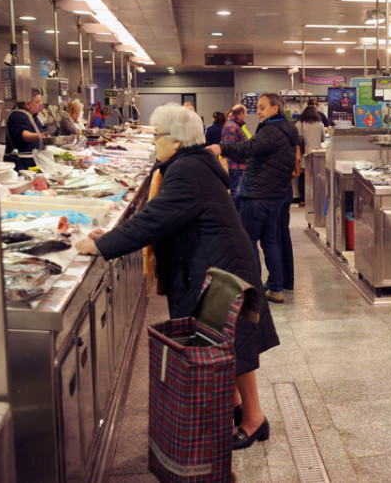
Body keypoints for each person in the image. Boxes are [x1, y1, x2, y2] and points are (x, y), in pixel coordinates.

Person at [75, 103, 279, 451]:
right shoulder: (192, 163)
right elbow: (157, 213)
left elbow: (154, 220)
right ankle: (231, 409)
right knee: (227, 345)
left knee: (234, 347)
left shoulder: (186, 170)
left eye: (158, 135)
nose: (154, 142)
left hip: (220, 268)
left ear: (176, 140)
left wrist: (103, 245)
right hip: (217, 263)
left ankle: (254, 419)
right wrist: (110, 235)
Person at [207, 93, 300, 304]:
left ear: (275, 108)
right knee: (271, 241)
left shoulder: (271, 131)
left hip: (258, 194)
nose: (257, 111)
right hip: (276, 194)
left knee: (248, 241)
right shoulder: (288, 129)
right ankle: (276, 288)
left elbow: (248, 148)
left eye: (262, 107)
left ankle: (254, 291)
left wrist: (220, 148)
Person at [4, 87, 45, 171]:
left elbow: (42, 129)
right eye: (37, 102)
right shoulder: (18, 116)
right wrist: (41, 136)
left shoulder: (33, 116)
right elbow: (24, 135)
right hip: (20, 165)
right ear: (27, 104)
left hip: (31, 163)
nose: (40, 104)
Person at [295, 105, 325, 206]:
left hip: (304, 154)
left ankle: (303, 200)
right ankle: (316, 199)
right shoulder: (320, 124)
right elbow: (323, 140)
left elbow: (295, 139)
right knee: (317, 177)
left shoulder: (299, 123)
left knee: (302, 178)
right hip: (316, 155)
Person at [222, 104, 250, 209]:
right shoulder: (231, 126)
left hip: (237, 166)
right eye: (246, 113)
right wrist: (245, 158)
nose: (246, 116)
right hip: (235, 167)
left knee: (237, 193)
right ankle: (236, 219)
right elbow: (230, 149)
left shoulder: (234, 125)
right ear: (241, 114)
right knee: (235, 193)